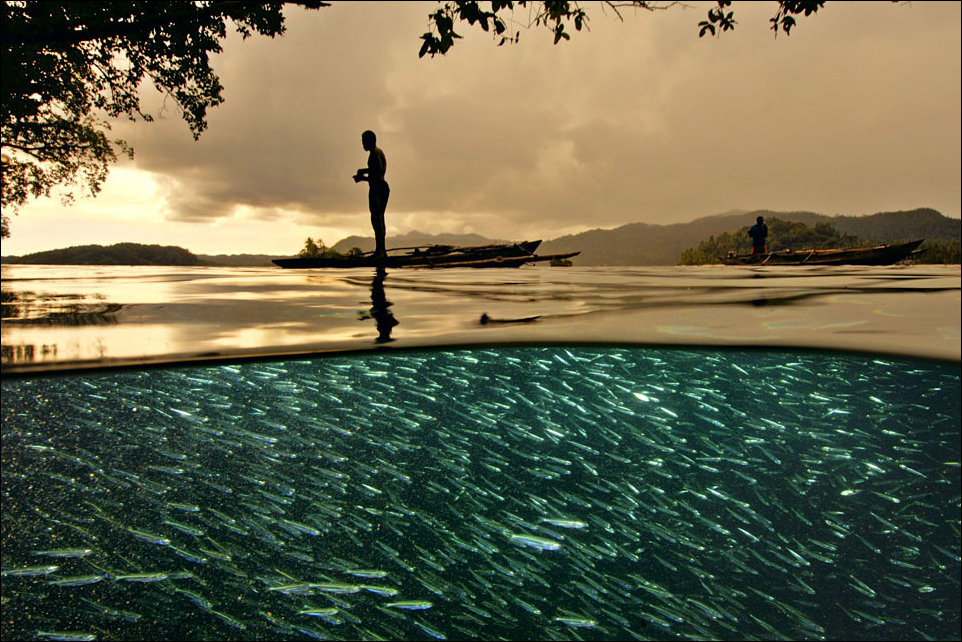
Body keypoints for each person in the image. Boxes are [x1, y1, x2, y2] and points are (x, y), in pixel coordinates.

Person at [353, 130, 389, 258]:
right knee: (379, 218)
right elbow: (374, 171)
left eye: (364, 142)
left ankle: (380, 251)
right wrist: (362, 171)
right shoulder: (378, 152)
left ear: (370, 141)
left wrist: (361, 178)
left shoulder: (374, 153)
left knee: (376, 219)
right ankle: (381, 251)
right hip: (382, 187)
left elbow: (377, 173)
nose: (362, 144)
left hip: (378, 188)